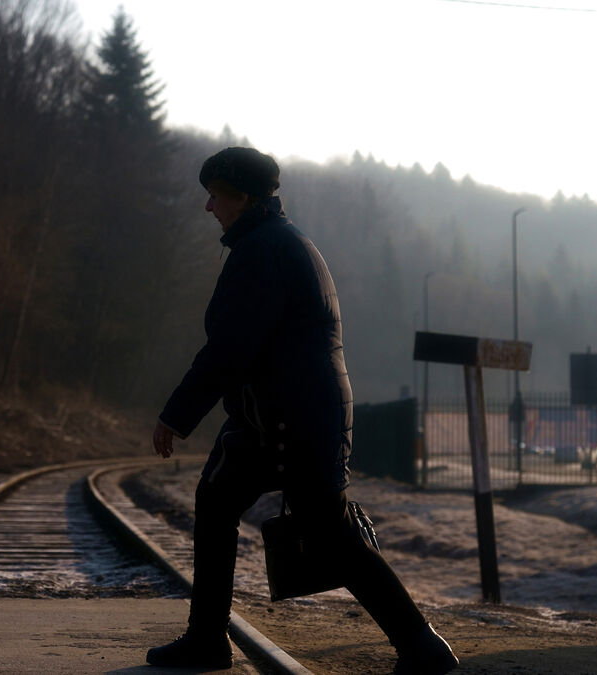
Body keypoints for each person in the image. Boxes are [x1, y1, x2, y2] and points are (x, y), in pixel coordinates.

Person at [146, 147, 459, 674]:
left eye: (216, 195)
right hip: (289, 416)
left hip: (289, 421)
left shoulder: (262, 251)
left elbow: (230, 348)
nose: (208, 206)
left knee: (328, 532)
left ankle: (423, 648)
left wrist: (176, 416)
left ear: (243, 197)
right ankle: (207, 639)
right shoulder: (279, 241)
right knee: (229, 504)